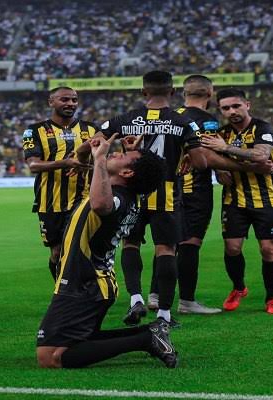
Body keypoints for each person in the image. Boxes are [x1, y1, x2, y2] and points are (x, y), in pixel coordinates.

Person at [35, 134, 177, 369]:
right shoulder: (116, 190)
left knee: (50, 356)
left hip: (84, 284)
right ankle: (150, 332)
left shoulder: (115, 197)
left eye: (122, 156)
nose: (115, 153)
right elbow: (85, 161)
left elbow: (102, 205)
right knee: (81, 340)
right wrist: (94, 149)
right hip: (94, 282)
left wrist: (100, 158)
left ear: (127, 173)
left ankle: (147, 339)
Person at [100, 70, 209, 326]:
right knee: (166, 249)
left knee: (130, 244)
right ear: (173, 92)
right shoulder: (183, 122)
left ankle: (135, 298)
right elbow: (201, 163)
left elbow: (95, 141)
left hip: (132, 193)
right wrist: (186, 155)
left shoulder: (125, 119)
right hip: (166, 194)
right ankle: (164, 314)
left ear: (143, 92)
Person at [202, 88, 273, 314]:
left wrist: (225, 148)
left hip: (266, 198)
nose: (232, 111)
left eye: (236, 106)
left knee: (268, 249)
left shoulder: (263, 128)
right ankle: (238, 288)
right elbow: (211, 159)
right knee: (232, 248)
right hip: (234, 199)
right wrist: (218, 170)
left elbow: (261, 155)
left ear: (247, 105)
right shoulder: (220, 133)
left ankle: (272, 298)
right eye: (226, 108)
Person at [148, 74, 222, 315]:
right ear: (210, 93)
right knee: (190, 244)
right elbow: (208, 154)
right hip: (195, 190)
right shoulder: (207, 120)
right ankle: (187, 301)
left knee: (166, 244)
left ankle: (155, 295)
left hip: (169, 188)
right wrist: (230, 167)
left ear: (183, 93)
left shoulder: (171, 116)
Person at [22, 87, 95, 280]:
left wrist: (89, 166)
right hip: (50, 202)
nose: (70, 104)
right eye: (64, 99)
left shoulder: (91, 129)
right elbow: (33, 165)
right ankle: (61, 289)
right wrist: (66, 163)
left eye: (74, 100)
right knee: (56, 252)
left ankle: (81, 289)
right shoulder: (34, 130)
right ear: (51, 102)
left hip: (84, 200)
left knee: (82, 248)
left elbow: (101, 161)